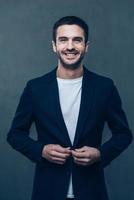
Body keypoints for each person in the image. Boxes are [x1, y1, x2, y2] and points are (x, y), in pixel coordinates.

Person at [7, 16, 133, 200]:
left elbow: (124, 134)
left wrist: (100, 154)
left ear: (86, 46)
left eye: (77, 40)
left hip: (92, 191)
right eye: (63, 40)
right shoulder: (35, 88)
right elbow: (15, 134)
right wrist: (40, 151)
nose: (70, 46)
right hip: (47, 191)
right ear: (54, 46)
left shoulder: (105, 88)